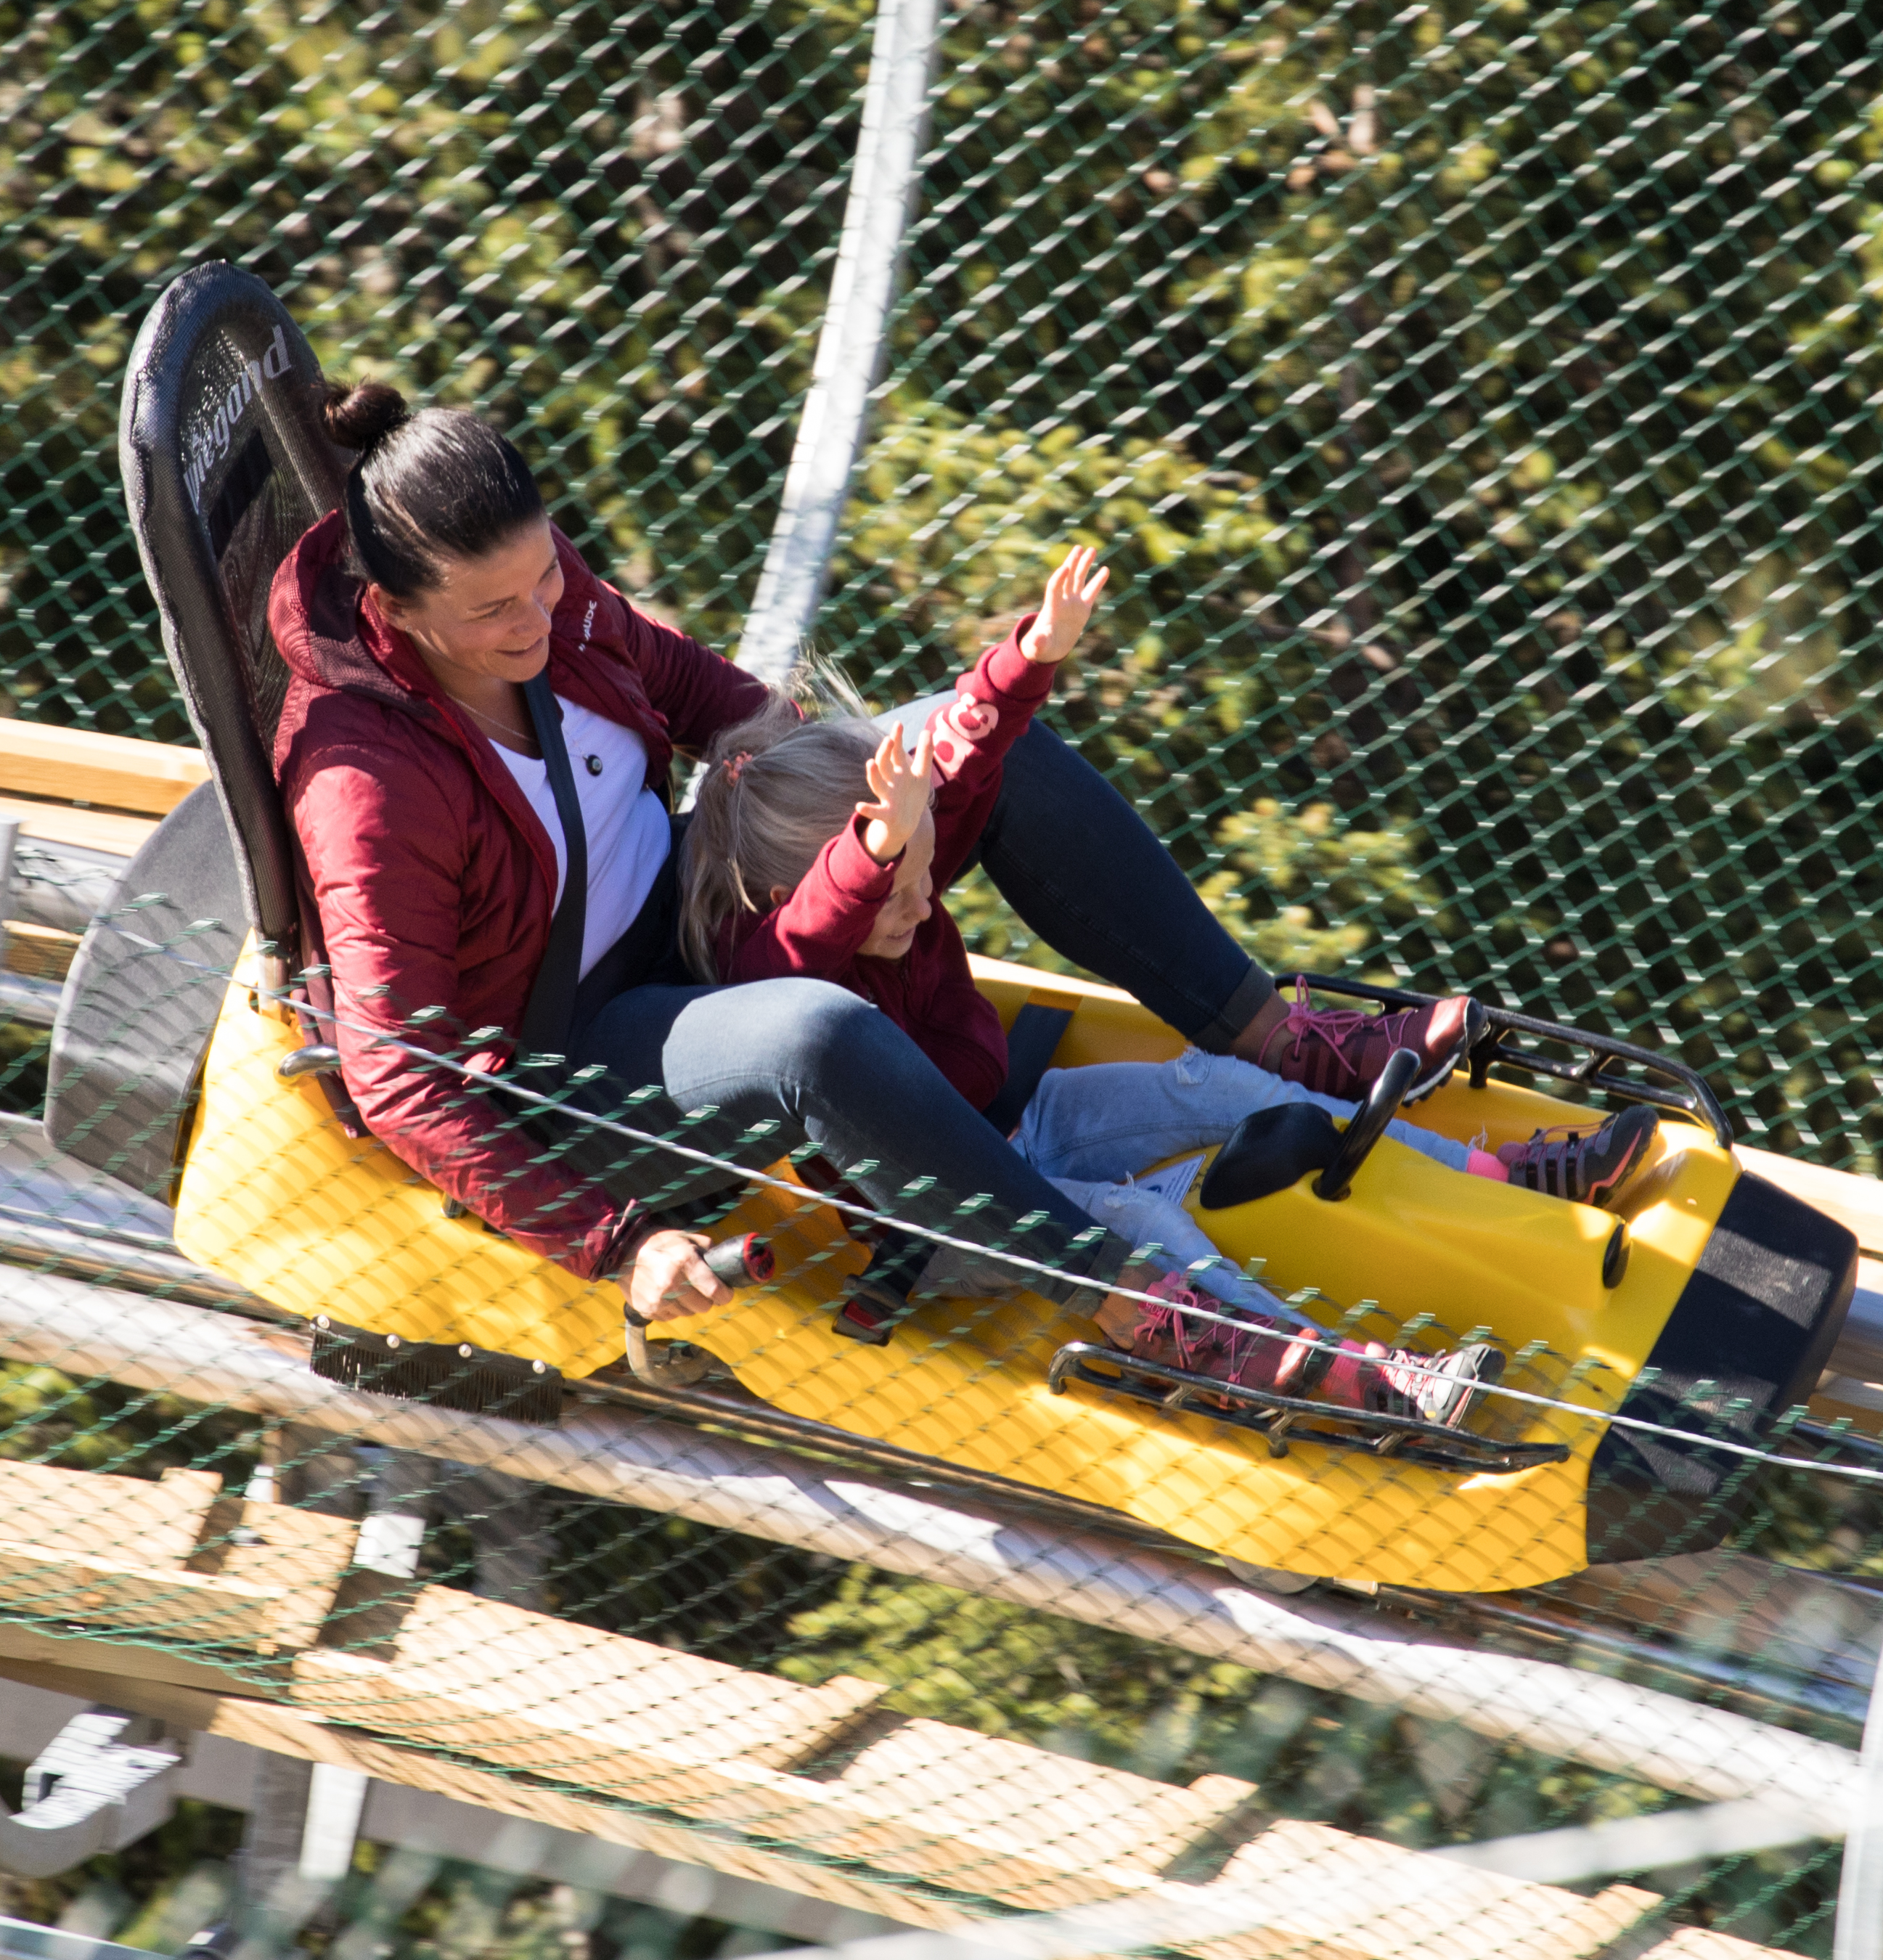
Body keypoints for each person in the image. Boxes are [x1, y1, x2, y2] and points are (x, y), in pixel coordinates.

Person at [266, 381, 1498, 1416]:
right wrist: (622, 1246)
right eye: (495, 610)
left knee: (989, 755)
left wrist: (874, 812)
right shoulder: (367, 783)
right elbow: (400, 1078)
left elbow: (717, 703)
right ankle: (1134, 1303)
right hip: (570, 1064)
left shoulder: (540, 594)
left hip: (686, 921)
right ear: (396, 612)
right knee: (816, 1033)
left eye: (545, 578)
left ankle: (1283, 1042)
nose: (542, 613)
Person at [679, 540, 1659, 1416]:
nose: (922, 897)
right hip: (947, 1215)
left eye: (926, 871)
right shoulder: (777, 967)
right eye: (890, 890)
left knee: (1218, 1080)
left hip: (1020, 1124)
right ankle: (1322, 1368)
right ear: (803, 893)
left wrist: (1028, 660)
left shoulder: (905, 874)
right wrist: (876, 848)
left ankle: (1506, 1178)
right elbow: (829, 915)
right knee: (1139, 1219)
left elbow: (970, 762)